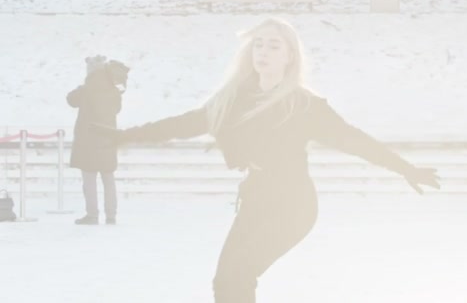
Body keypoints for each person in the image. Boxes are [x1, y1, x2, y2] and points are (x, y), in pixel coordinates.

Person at [93, 17, 440, 302]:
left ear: (290, 56)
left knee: (240, 274)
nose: (264, 51)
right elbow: (184, 124)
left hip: (294, 206)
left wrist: (405, 168)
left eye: (274, 45)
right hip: (256, 198)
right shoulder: (233, 99)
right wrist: (124, 136)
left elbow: (355, 140)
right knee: (225, 281)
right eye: (258, 44)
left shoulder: (304, 105)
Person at [67, 55, 130, 225]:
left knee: (89, 179)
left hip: (88, 140)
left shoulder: (87, 88)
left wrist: (82, 87)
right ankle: (111, 216)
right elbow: (116, 110)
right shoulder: (114, 90)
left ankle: (92, 215)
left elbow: (70, 100)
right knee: (108, 178)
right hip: (107, 138)